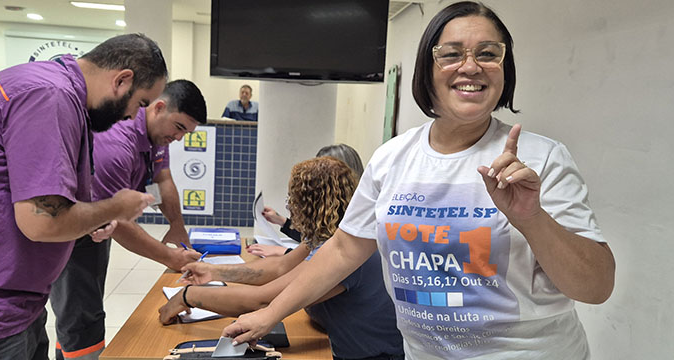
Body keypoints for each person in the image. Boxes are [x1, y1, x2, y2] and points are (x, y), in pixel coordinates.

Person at [222, 2, 616, 359]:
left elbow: (596, 287)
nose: (470, 66)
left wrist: (532, 219)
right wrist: (267, 315)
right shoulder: (393, 158)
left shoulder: (541, 158)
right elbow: (342, 250)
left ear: (504, 67)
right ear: (427, 70)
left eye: (487, 54)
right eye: (451, 54)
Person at [0, 33, 168, 359]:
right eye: (139, 103)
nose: (133, 117)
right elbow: (43, 224)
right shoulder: (49, 97)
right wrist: (116, 207)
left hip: (13, 301)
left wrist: (96, 216)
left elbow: (42, 201)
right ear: (122, 81)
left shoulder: (55, 91)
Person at [159, 156, 405, 360]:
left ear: (311, 205)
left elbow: (262, 302)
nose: (288, 208)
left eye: (293, 199)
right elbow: (280, 268)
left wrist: (188, 296)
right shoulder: (326, 237)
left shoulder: (346, 252)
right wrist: (213, 271)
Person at [50, 79, 207, 359]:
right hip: (72, 235)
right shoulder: (116, 145)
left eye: (187, 132)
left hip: (98, 229)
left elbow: (161, 179)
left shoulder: (157, 135)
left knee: (78, 313)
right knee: (82, 317)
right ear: (159, 107)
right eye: (179, 127)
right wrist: (170, 258)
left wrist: (177, 227)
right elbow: (118, 223)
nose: (180, 137)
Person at [249, 144, 365, 258]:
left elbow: (323, 257)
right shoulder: (336, 207)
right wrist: (283, 222)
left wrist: (286, 253)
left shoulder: (354, 217)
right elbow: (316, 239)